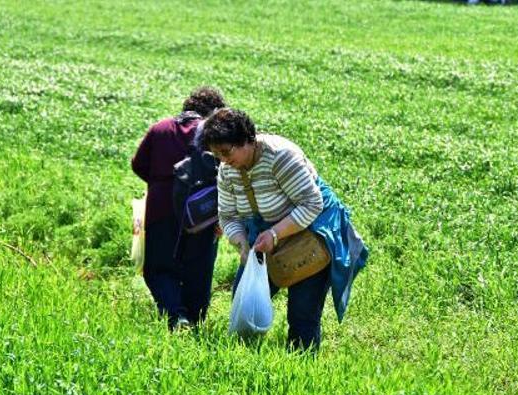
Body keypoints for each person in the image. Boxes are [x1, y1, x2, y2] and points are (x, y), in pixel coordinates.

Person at [201, 108, 368, 351]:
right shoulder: (227, 171)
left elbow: (312, 203)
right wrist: (243, 245)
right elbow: (228, 215)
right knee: (243, 301)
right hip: (262, 236)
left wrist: (275, 233)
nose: (223, 161)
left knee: (303, 313)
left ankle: (301, 367)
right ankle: (241, 361)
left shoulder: (280, 156)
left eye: (227, 152)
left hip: (308, 233)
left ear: (248, 139)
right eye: (217, 155)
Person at [130, 87, 226, 330]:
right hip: (202, 213)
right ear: (215, 112)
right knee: (199, 267)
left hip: (160, 208)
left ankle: (176, 316)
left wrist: (159, 184)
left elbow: (138, 164)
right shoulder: (213, 134)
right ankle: (194, 319)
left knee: (159, 268)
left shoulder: (160, 128)